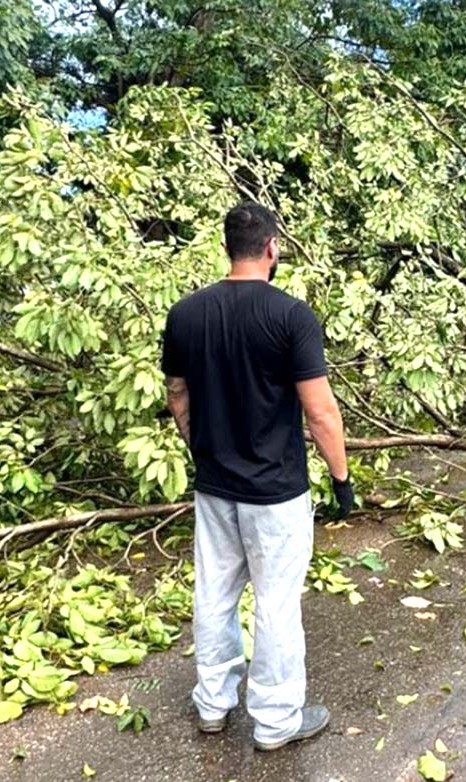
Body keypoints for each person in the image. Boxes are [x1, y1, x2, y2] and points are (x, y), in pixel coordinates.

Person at [161, 202, 355, 752]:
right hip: (276, 492)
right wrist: (341, 481)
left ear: (228, 247)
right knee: (275, 603)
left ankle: (212, 705)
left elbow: (179, 395)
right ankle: (275, 722)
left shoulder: (185, 314)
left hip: (215, 486)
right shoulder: (291, 315)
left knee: (214, 594)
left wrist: (202, 447)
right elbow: (320, 412)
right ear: (272, 247)